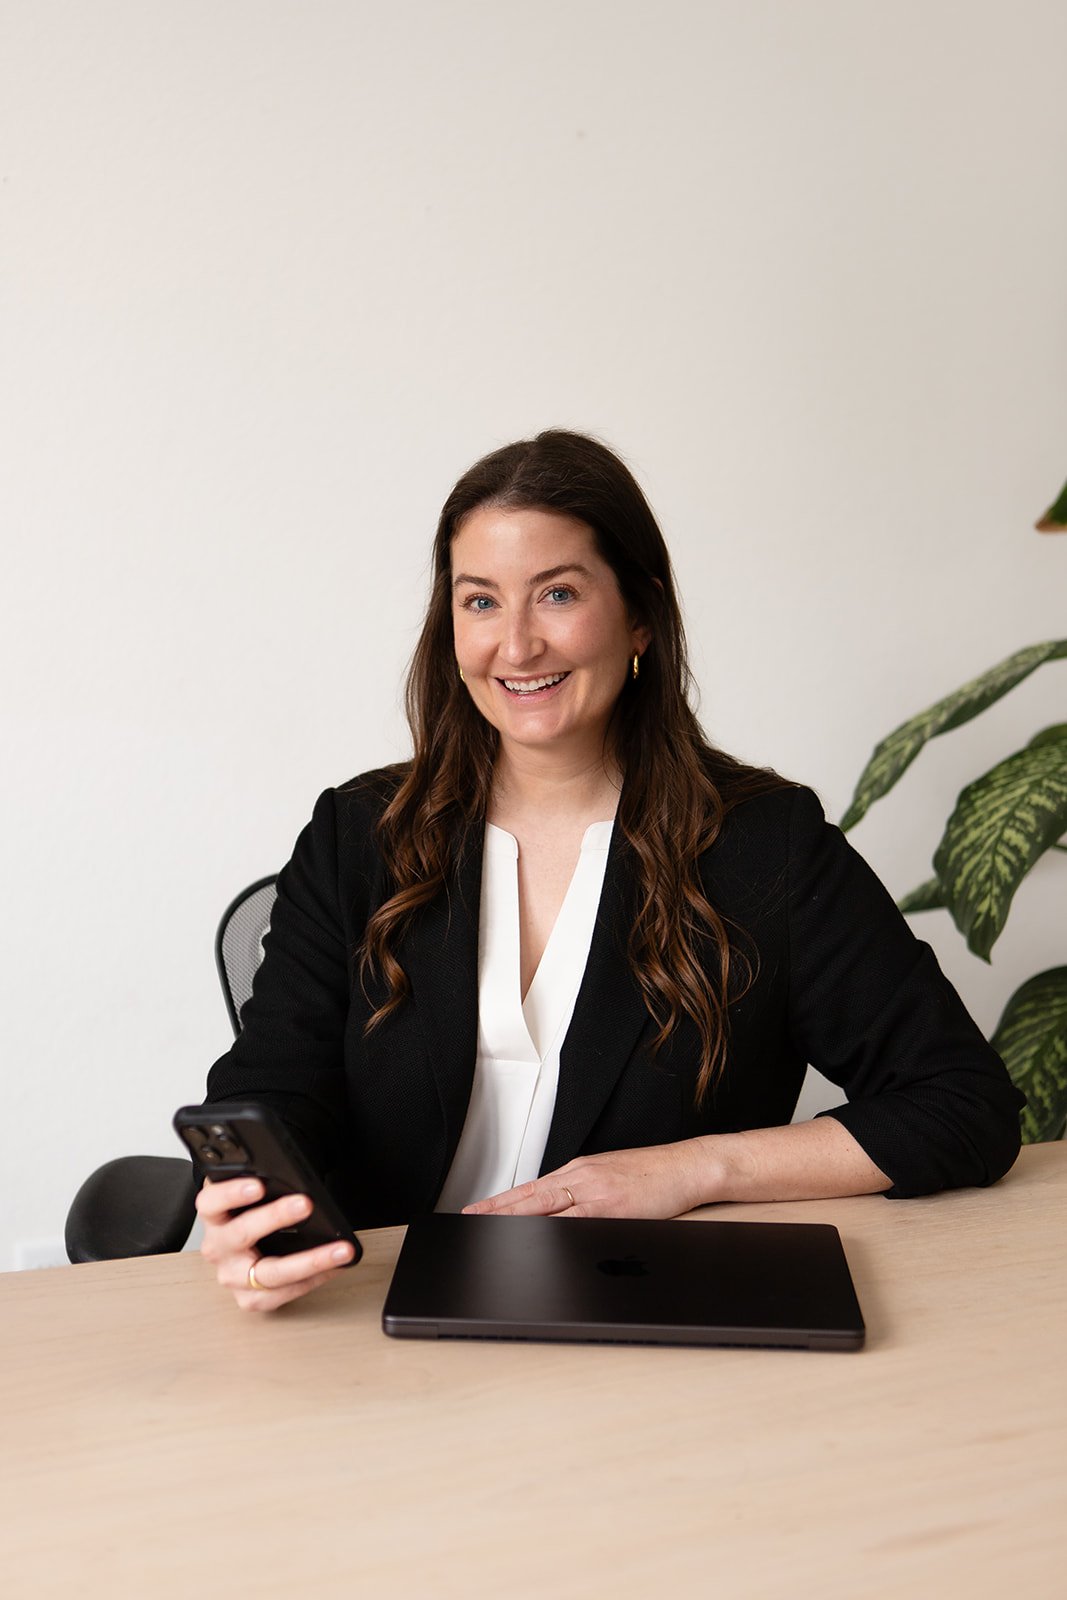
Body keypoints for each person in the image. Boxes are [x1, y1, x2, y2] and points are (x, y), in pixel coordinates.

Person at [197, 429, 1025, 1310]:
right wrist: (256, 1219)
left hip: (640, 1318)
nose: (515, 647)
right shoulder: (356, 834)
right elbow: (270, 1092)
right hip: (381, 1318)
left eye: (556, 594)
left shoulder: (764, 844)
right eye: (479, 602)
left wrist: (693, 1169)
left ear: (639, 615)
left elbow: (961, 1106)